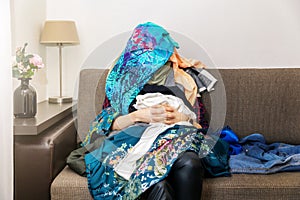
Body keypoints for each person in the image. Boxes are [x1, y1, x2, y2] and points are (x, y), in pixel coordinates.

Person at [80, 22, 214, 200]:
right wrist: (137, 116)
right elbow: (105, 125)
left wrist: (183, 117)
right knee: (158, 186)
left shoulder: (184, 79)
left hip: (176, 141)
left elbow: (202, 126)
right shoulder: (120, 81)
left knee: (190, 163)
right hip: (134, 144)